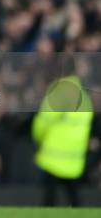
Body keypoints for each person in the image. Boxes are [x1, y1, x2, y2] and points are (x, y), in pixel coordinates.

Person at [32, 72, 93, 207]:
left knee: (49, 200)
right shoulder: (84, 95)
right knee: (74, 199)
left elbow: (43, 122)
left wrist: (37, 140)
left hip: (52, 156)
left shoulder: (58, 92)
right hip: (74, 160)